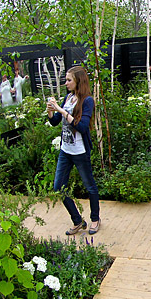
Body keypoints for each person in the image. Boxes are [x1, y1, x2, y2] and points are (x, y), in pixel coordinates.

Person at [47, 66, 101, 236]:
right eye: (66, 79)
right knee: (58, 188)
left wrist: (61, 110)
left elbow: (83, 126)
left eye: (69, 80)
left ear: (78, 81)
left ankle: (95, 219)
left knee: (90, 186)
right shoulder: (68, 97)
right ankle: (77, 221)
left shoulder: (87, 101)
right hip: (66, 150)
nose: (66, 83)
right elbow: (55, 122)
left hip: (79, 151)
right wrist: (51, 111)